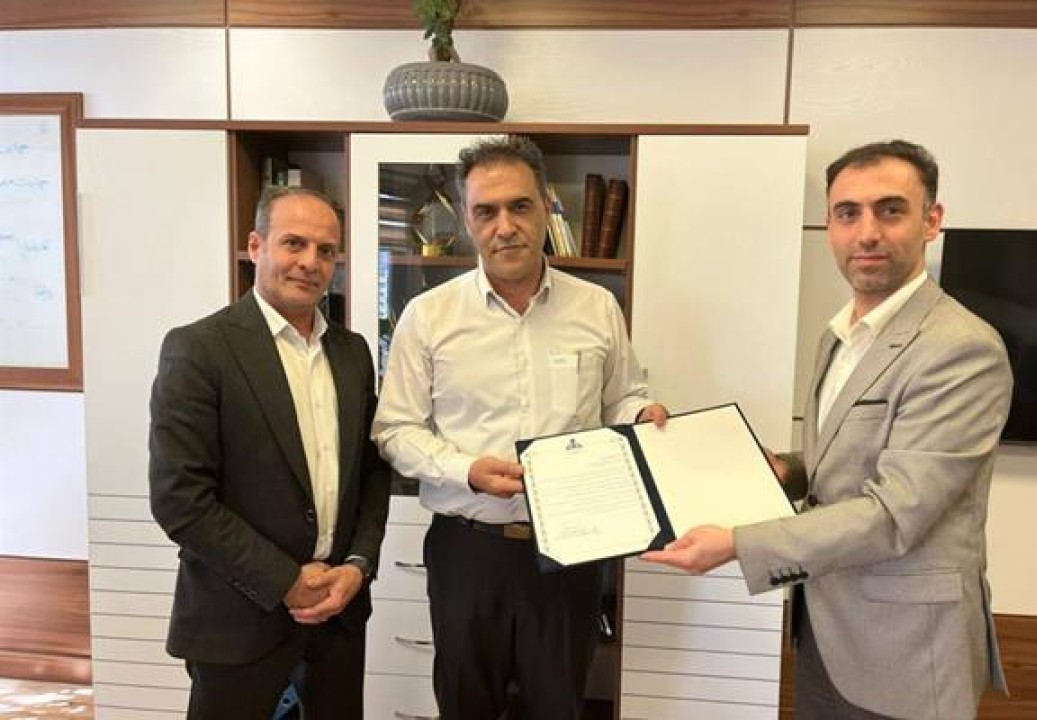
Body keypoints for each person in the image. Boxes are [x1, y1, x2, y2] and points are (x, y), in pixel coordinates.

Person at [642, 140, 1013, 719]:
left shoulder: (961, 349)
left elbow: (895, 513)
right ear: (829, 226)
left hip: (907, 649)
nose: (867, 233)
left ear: (931, 221)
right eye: (847, 213)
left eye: (890, 210)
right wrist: (785, 469)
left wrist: (739, 543)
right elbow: (849, 460)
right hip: (826, 627)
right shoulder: (839, 335)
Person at [372, 135, 668, 720]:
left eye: (520, 206)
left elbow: (621, 399)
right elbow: (395, 430)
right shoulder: (428, 316)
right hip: (468, 549)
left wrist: (641, 415)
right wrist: (467, 471)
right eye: (486, 211)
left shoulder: (597, 307)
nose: (505, 226)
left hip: (571, 546)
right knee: (466, 705)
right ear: (467, 219)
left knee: (558, 704)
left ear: (545, 206)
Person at [149, 186, 391, 719]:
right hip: (237, 621)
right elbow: (179, 499)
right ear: (256, 246)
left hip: (338, 615)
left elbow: (373, 475)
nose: (310, 262)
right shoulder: (199, 348)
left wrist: (358, 565)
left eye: (326, 250)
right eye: (293, 243)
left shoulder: (352, 353)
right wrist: (285, 582)